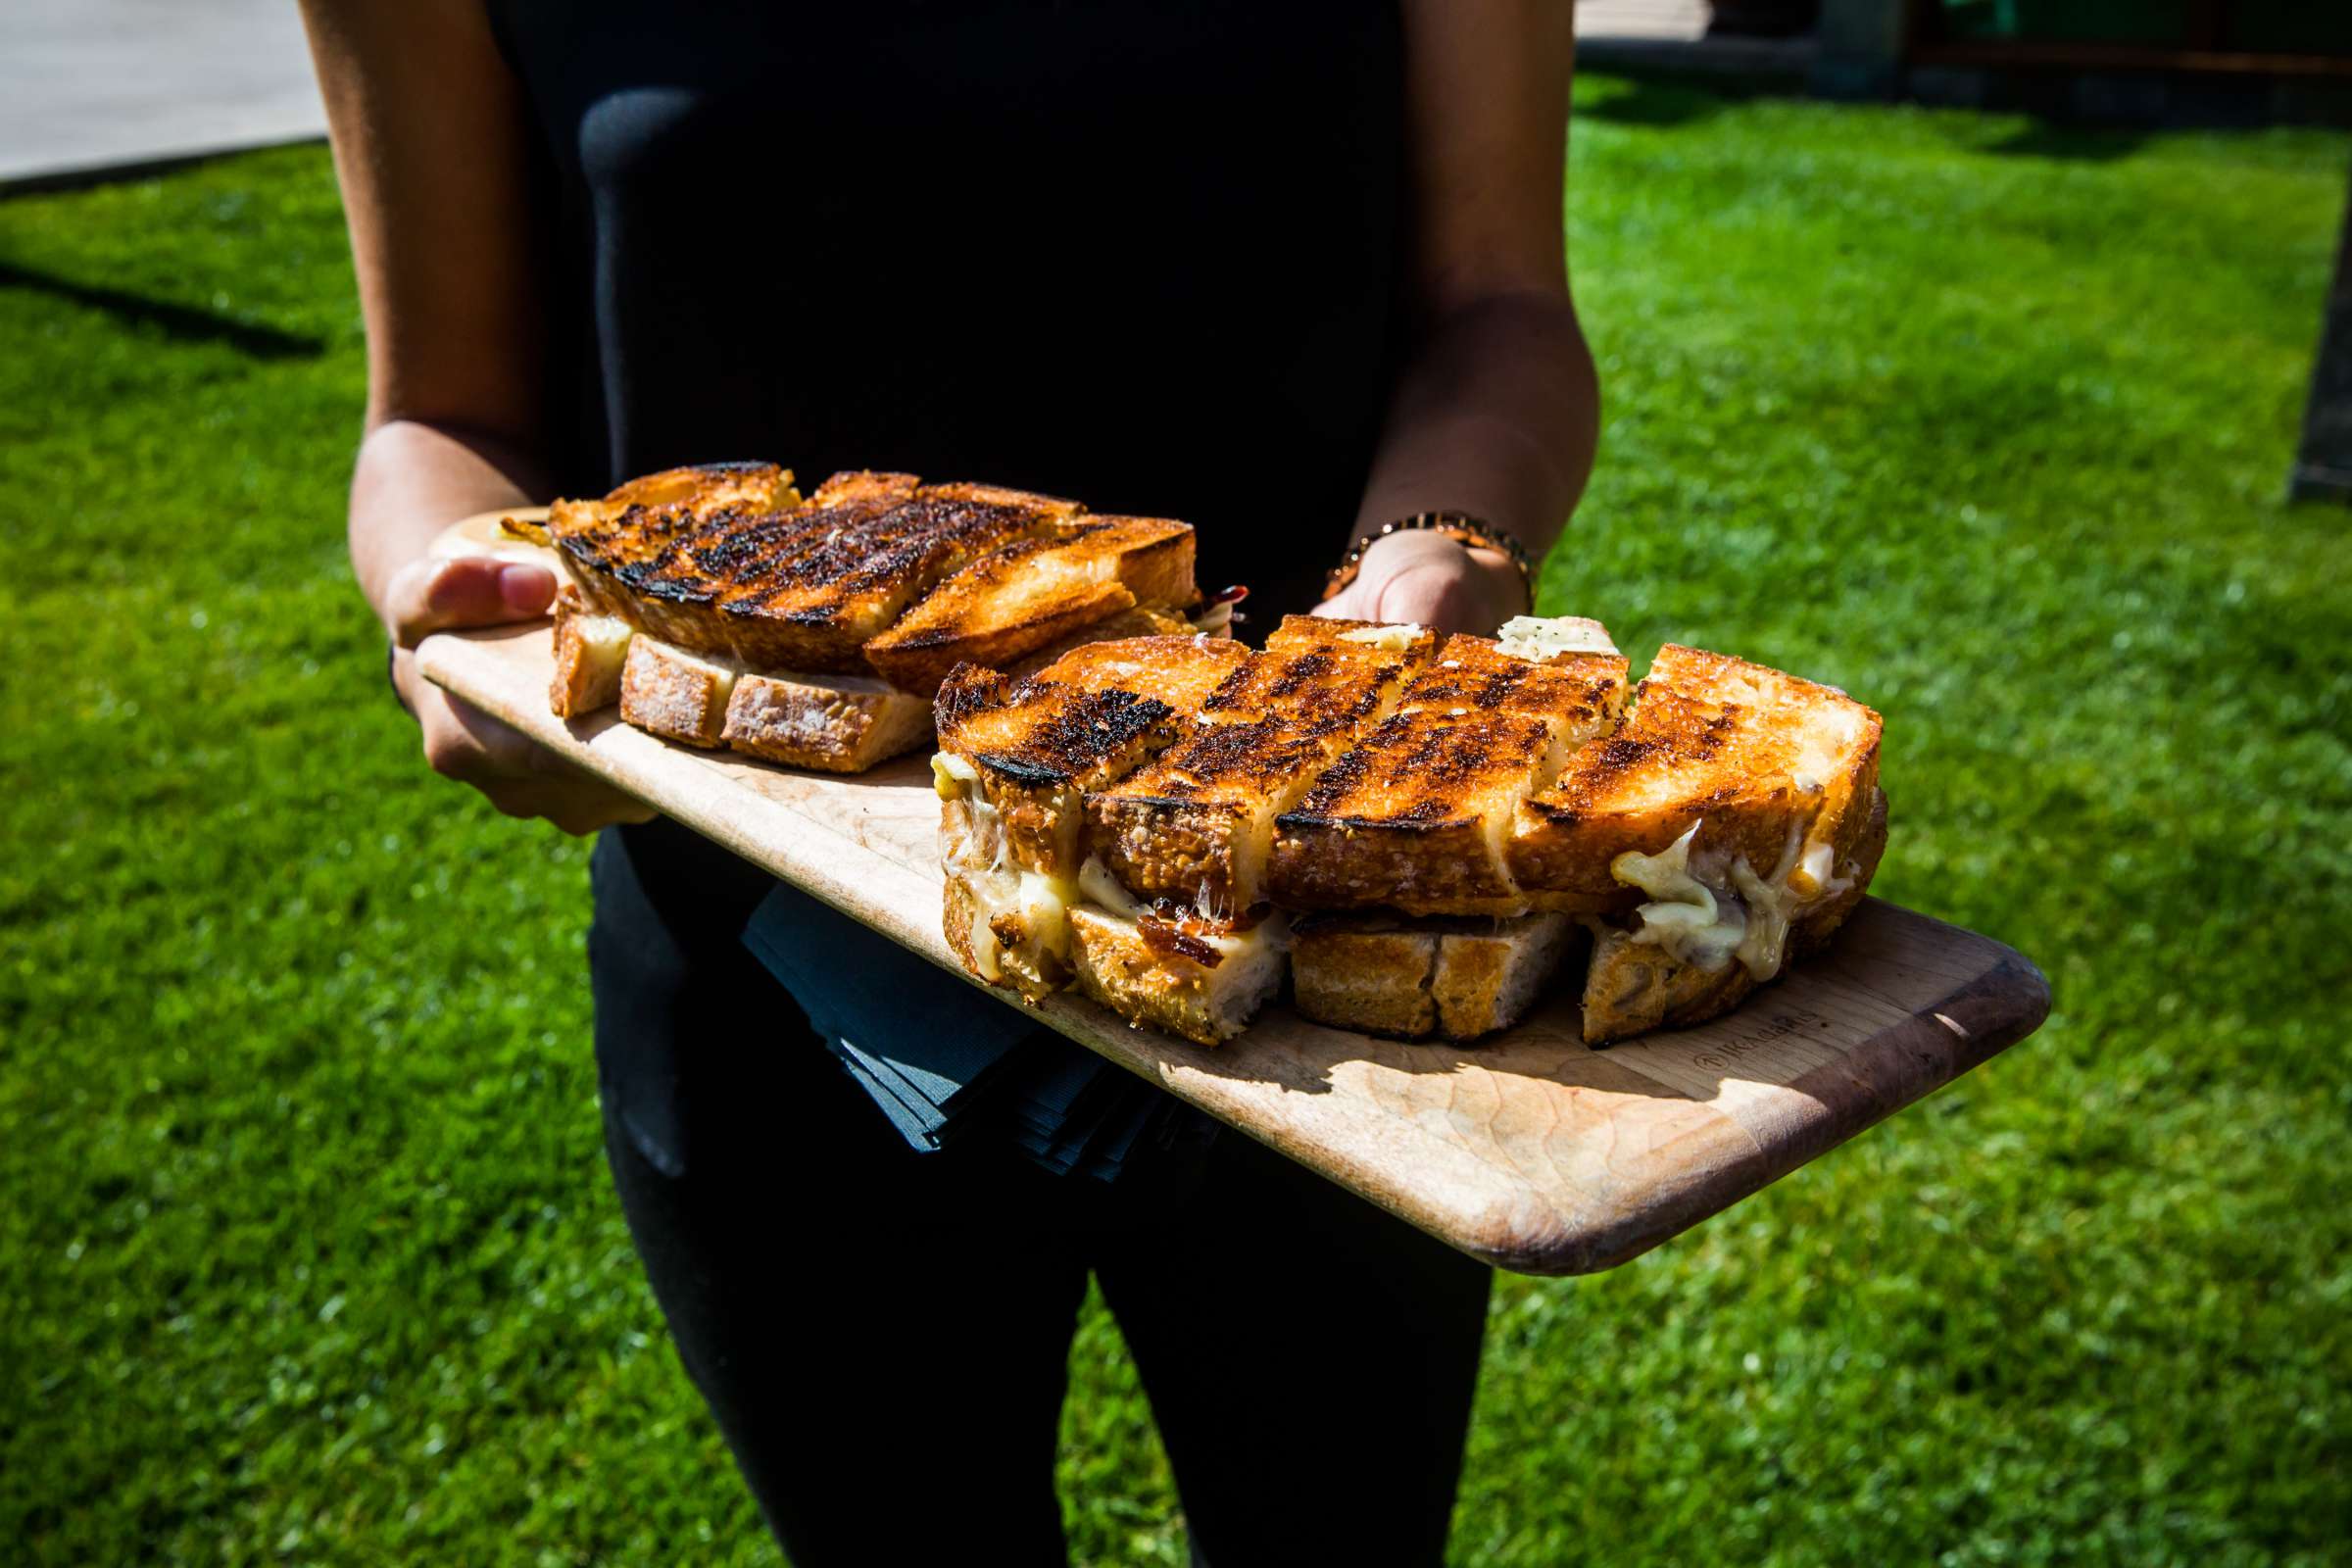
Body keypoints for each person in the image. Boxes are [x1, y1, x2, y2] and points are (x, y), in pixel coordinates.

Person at [299, 3, 1598, 1562]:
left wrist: (1440, 544)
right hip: (757, 973)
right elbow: (440, 417)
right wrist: (453, 614)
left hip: (1334, 937)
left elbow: (1500, 300)